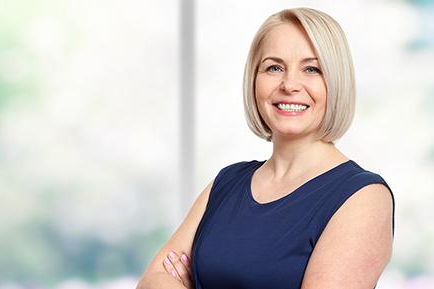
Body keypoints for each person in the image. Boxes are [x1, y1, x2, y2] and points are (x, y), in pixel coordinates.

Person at [136, 7, 395, 289]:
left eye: (312, 69)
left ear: (337, 81)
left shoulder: (363, 198)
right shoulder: (226, 183)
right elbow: (151, 281)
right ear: (254, 80)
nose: (289, 85)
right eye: (274, 67)